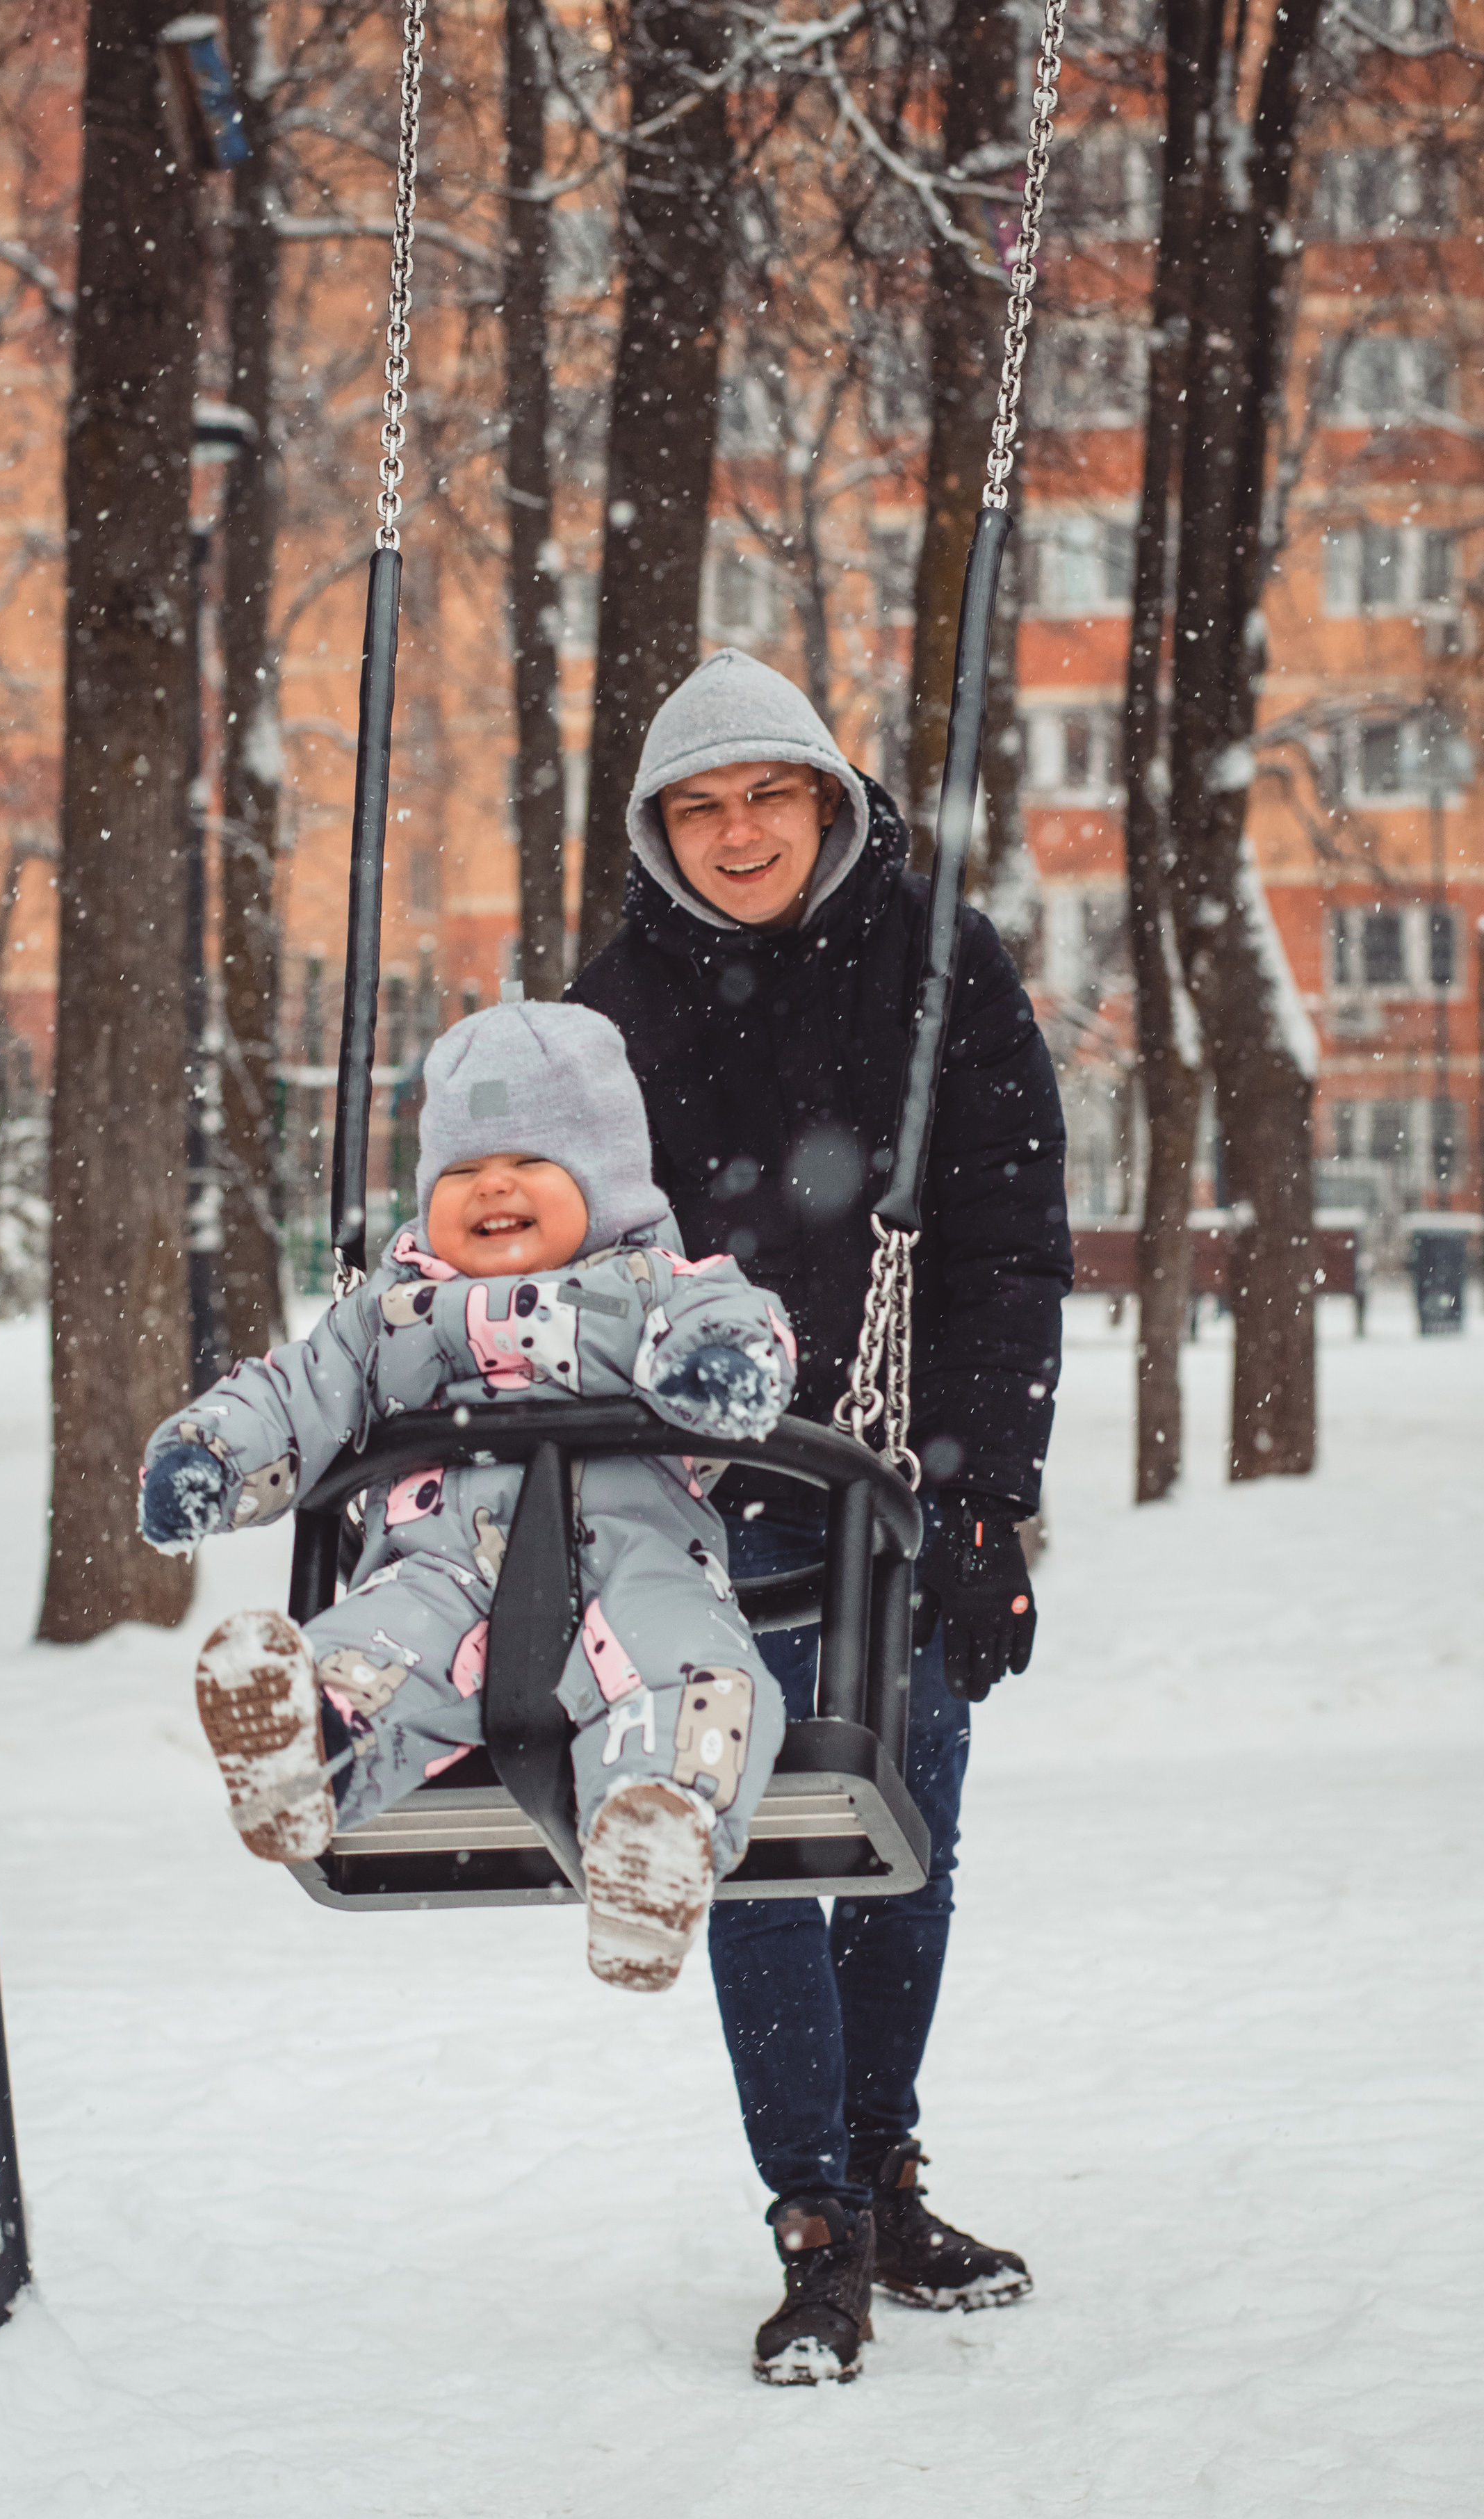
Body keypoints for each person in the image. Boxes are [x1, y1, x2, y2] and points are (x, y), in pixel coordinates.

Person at [569, 647, 1071, 2383]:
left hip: (900, 1477)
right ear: (657, 834)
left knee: (902, 1838)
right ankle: (813, 2220)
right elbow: (556, 1241)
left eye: (766, 796)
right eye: (697, 810)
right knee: (752, 1853)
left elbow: (1008, 1239)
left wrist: (988, 1504)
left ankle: (880, 2173)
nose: (736, 835)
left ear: (827, 799)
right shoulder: (609, 1012)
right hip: (699, 1493)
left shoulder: (936, 964)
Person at [136, 999, 799, 1994]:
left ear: (609, 1179)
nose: (492, 1185)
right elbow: (296, 1391)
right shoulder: (391, 1314)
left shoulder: (660, 1285)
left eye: (532, 1160)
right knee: (380, 1651)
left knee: (694, 1671)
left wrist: (723, 1368)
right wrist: (211, 1459)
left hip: (638, 1561)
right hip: (439, 1568)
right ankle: (306, 1746)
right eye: (461, 1172)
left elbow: (739, 1321)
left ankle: (656, 1835)